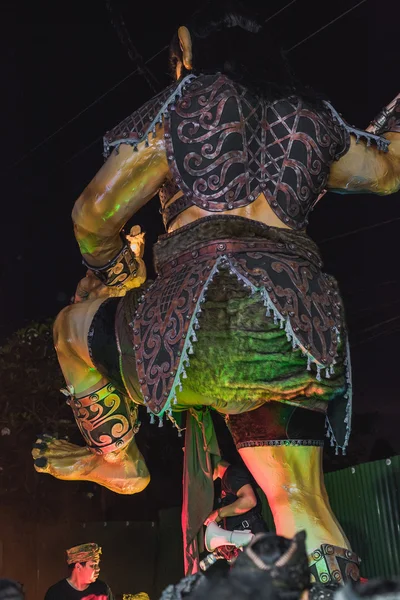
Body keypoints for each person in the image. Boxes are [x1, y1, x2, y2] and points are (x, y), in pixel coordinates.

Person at [32, 0, 400, 584]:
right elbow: (387, 171)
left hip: (198, 317)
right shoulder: (314, 117)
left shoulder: (186, 101)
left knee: (70, 330)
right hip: (299, 335)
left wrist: (108, 269)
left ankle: (119, 459)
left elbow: (92, 214)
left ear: (185, 50)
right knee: (301, 500)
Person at [204, 459, 268, 534]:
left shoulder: (232, 474)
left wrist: (218, 514)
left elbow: (250, 501)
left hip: (251, 533)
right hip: (246, 534)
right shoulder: (226, 479)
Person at [44, 543, 114, 600]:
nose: (98, 569)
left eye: (98, 565)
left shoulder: (102, 589)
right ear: (78, 567)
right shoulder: (56, 593)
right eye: (93, 565)